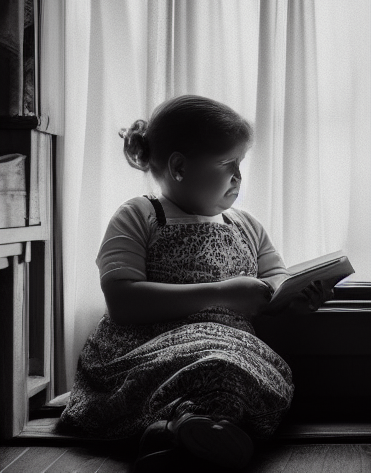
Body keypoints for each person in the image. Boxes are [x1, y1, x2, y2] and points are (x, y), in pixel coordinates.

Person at [58, 95, 332, 472]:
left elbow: (274, 280)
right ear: (179, 167)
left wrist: (291, 299)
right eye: (227, 164)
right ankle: (186, 431)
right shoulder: (139, 216)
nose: (238, 175)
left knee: (232, 368)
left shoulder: (246, 225)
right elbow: (123, 299)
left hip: (227, 345)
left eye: (241, 163)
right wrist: (222, 293)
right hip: (146, 348)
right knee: (205, 367)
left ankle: (182, 433)